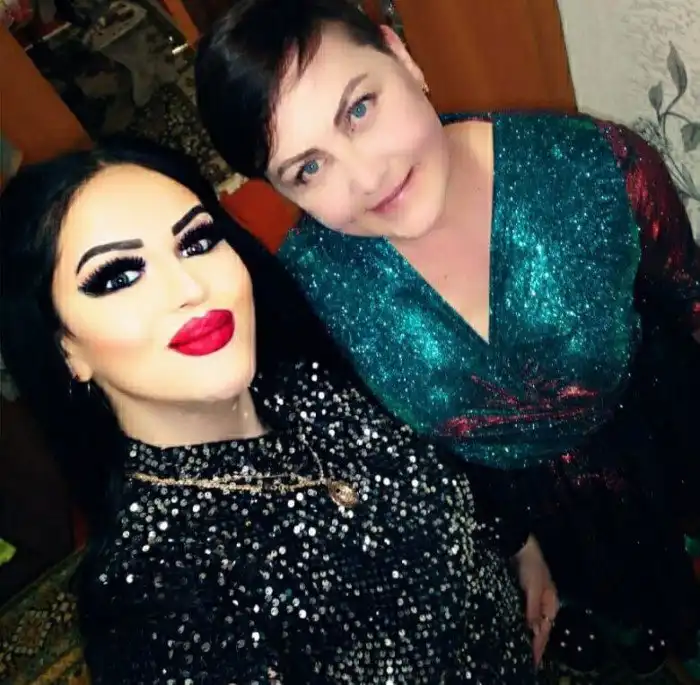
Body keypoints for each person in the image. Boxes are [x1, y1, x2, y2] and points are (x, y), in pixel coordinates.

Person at [194, 0, 700, 675]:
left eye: (359, 109)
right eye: (307, 168)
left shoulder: (596, 165)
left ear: (401, 56)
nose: (367, 178)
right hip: (530, 519)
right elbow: (414, 454)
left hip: (663, 436)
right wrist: (516, 545)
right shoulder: (314, 295)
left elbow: (687, 300)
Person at [0, 137, 559, 684]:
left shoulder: (305, 373)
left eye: (196, 241)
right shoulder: (159, 613)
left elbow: (443, 463)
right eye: (119, 276)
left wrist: (515, 543)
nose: (190, 287)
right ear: (64, 347)